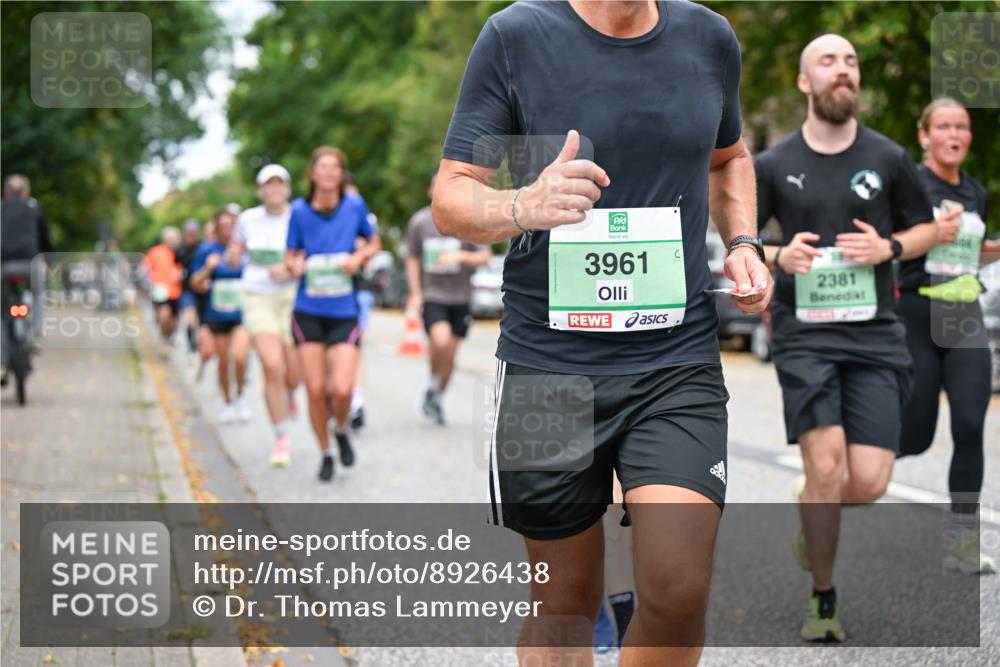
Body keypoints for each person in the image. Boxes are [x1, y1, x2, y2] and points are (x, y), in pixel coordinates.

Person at [434, 2, 770, 665]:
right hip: (548, 364)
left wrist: (743, 242)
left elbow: (730, 157)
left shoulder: (709, 38)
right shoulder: (516, 36)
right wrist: (520, 204)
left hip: (674, 360)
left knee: (678, 590)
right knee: (565, 600)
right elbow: (450, 195)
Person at [754, 34, 942, 642]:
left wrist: (887, 247)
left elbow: (927, 232)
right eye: (828, 62)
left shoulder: (888, 158)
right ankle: (824, 599)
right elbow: (742, 242)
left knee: (869, 481)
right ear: (806, 83)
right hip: (804, 336)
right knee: (829, 466)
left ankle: (813, 504)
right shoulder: (773, 164)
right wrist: (782, 254)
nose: (844, 71)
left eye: (851, 62)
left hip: (874, 338)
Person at [895, 97, 995, 575]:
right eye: (944, 126)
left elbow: (971, 252)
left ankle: (961, 543)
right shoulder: (910, 184)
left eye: (962, 126)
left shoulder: (975, 191)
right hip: (917, 310)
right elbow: (894, 244)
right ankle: (834, 482)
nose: (954, 134)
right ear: (924, 135)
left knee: (971, 424)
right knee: (915, 435)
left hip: (964, 313)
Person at [286, 147, 382, 481]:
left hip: (343, 310)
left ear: (341, 175)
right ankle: (326, 452)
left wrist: (358, 259)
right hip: (308, 310)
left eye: (334, 168)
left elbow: (374, 243)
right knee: (315, 390)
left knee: (341, 389)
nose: (328, 173)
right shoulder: (298, 211)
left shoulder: (354, 205)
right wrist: (293, 263)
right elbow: (290, 254)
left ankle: (340, 427)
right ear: (312, 173)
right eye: (322, 167)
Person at [230, 164, 303, 467]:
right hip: (258, 297)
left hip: (294, 297)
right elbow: (235, 251)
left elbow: (306, 251)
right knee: (271, 366)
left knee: (295, 373)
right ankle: (281, 437)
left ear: (287, 188)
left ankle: (289, 394)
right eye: (268, 184)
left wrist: (289, 267)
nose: (274, 189)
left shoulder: (299, 215)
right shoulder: (247, 219)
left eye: (279, 184)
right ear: (261, 190)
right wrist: (233, 255)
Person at [406, 174, 491, 425]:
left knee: (451, 357)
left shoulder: (465, 221)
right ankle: (433, 383)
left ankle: (436, 397)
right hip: (433, 295)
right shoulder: (420, 222)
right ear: (431, 191)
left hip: (460, 297)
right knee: (440, 341)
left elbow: (484, 257)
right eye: (436, 187)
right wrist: (416, 293)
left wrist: (460, 257)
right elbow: (413, 259)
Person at [191, 208, 251, 424]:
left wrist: (240, 261)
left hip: (241, 315)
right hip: (216, 315)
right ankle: (227, 402)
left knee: (240, 357)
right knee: (224, 362)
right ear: (217, 228)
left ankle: (241, 395)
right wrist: (208, 269)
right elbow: (195, 283)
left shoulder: (245, 250)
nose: (227, 230)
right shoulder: (208, 250)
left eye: (231, 225)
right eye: (222, 226)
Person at [141, 226, 183, 357]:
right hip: (160, 291)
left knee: (174, 322)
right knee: (164, 316)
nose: (171, 241)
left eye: (174, 239)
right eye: (169, 238)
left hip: (177, 292)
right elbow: (144, 268)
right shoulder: (156, 252)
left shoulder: (181, 253)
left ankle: (168, 338)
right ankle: (164, 341)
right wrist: (147, 284)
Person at [176, 220, 203, 353]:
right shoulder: (180, 250)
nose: (191, 235)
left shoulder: (202, 248)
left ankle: (198, 337)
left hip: (201, 289)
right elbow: (173, 265)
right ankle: (191, 341)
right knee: (190, 316)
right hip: (187, 289)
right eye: (189, 233)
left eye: (193, 233)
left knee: (199, 318)